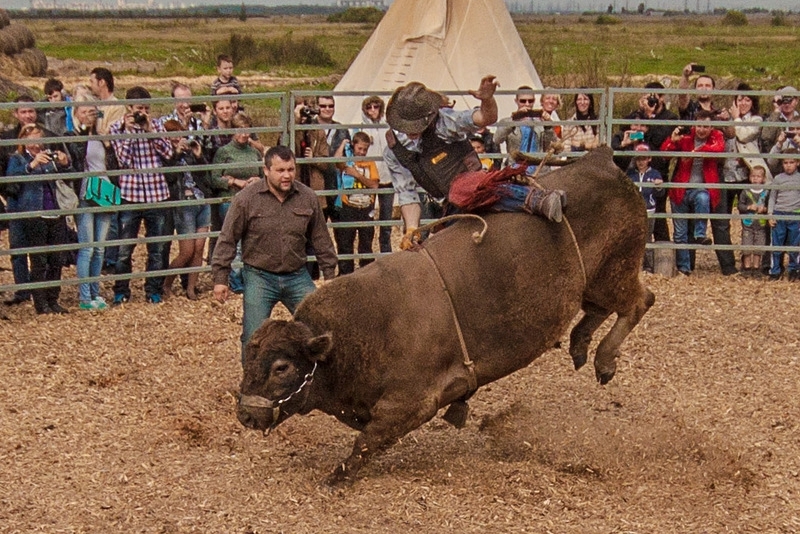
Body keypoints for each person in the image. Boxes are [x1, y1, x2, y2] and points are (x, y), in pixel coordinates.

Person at [383, 76, 566, 239]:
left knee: (463, 188)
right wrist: (412, 229)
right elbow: (407, 194)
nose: (413, 130)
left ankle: (534, 199)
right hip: (448, 206)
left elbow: (485, 117)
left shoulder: (444, 123)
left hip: (476, 185)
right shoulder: (394, 151)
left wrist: (487, 99)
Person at [212, 145, 337, 360]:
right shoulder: (246, 199)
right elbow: (227, 239)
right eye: (280, 170)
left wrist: (330, 276)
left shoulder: (307, 197)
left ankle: (317, 385)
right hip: (259, 276)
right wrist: (220, 278)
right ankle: (252, 390)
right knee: (253, 337)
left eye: (291, 169)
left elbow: (321, 240)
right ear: (266, 170)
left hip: (297, 274)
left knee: (320, 331)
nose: (287, 175)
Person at [108, 86, 174, 305]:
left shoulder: (156, 126)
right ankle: (121, 290)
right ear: (129, 108)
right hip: (131, 193)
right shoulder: (116, 128)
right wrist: (130, 133)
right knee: (124, 248)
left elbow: (168, 153)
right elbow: (123, 161)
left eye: (146, 108)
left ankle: (153, 290)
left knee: (157, 248)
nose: (142, 112)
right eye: (139, 108)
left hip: (156, 192)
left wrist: (149, 130)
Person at [5, 124, 72, 314]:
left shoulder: (48, 156)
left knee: (57, 259)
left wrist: (64, 162)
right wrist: (31, 165)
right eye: (33, 138)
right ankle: (40, 302)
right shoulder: (17, 159)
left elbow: (68, 177)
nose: (37, 143)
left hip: (56, 212)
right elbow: (11, 180)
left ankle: (53, 299)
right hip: (34, 214)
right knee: (39, 260)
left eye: (39, 138)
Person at [65, 89, 118, 311]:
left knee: (99, 248)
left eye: (94, 113)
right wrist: (85, 132)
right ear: (77, 113)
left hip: (104, 191)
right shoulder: (73, 137)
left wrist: (108, 143)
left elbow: (114, 165)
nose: (91, 116)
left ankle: (95, 293)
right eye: (86, 112)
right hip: (86, 193)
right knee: (87, 247)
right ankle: (85, 296)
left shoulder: (102, 137)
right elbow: (75, 161)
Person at [660, 110, 727, 276]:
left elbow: (719, 149)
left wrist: (697, 152)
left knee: (703, 197)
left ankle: (700, 233)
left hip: (701, 188)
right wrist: (672, 140)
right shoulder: (686, 138)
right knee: (680, 232)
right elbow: (664, 153)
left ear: (712, 127)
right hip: (680, 190)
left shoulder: (716, 137)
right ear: (694, 125)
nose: (702, 129)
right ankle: (684, 268)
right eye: (699, 125)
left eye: (706, 126)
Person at [209, 112, 264, 293]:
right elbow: (214, 178)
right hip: (230, 200)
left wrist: (256, 180)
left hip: (253, 200)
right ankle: (235, 281)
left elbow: (264, 175)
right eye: (240, 131)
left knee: (252, 240)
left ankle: (249, 278)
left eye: (247, 131)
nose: (244, 135)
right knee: (234, 241)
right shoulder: (224, 152)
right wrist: (235, 182)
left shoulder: (254, 152)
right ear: (233, 131)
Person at [161, 119, 212, 300]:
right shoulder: (166, 155)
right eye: (173, 135)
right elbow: (169, 177)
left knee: (199, 249)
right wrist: (175, 154)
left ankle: (191, 288)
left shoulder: (191, 153)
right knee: (186, 251)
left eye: (180, 134)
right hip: (184, 205)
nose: (178, 139)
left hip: (201, 201)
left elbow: (205, 174)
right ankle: (167, 283)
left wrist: (198, 155)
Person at [1, 96, 39, 306]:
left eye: (31, 111)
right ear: (16, 114)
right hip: (15, 199)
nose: (28, 115)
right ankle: (22, 290)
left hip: (40, 198)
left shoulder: (45, 135)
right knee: (17, 248)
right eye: (23, 112)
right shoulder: (6, 138)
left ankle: (39, 289)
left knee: (39, 247)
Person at [333, 131, 379, 275]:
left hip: (365, 207)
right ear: (353, 146)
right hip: (349, 207)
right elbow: (335, 161)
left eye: (365, 149)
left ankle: (366, 274)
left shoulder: (370, 163)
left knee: (366, 244)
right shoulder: (348, 161)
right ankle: (346, 275)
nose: (362, 152)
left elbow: (374, 185)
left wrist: (358, 175)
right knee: (346, 243)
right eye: (359, 149)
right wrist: (342, 145)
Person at [354, 95, 393, 253]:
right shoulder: (362, 128)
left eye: (375, 107)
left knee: (386, 219)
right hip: (370, 178)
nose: (372, 111)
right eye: (369, 107)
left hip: (388, 177)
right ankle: (366, 253)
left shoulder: (388, 126)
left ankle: (386, 251)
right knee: (367, 217)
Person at [626, 144, 663, 272]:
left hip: (649, 210)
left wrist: (659, 186)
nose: (641, 162)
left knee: (647, 237)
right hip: (634, 211)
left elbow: (660, 194)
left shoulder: (654, 173)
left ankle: (648, 265)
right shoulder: (631, 175)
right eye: (638, 159)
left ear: (649, 159)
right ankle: (635, 266)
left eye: (643, 159)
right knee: (633, 237)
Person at [767, 148, 800, 281]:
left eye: (791, 162)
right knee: (776, 244)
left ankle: (794, 269)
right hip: (779, 213)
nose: (788, 165)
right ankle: (775, 270)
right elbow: (772, 197)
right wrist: (770, 214)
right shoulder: (778, 179)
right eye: (785, 162)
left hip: (795, 215)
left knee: (795, 244)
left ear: (797, 163)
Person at [738, 165, 769, 277]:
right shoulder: (746, 192)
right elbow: (740, 205)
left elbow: (769, 207)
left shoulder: (766, 192)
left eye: (758, 176)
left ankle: (756, 267)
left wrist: (764, 209)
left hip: (761, 225)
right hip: (748, 224)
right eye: (753, 176)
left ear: (763, 179)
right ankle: (746, 267)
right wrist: (748, 207)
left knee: (759, 247)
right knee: (746, 246)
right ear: (749, 178)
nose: (755, 179)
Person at [760, 86, 799, 153]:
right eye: (784, 100)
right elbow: (766, 137)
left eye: (790, 100)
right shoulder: (772, 119)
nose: (787, 104)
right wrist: (777, 109)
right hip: (776, 158)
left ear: (797, 101)